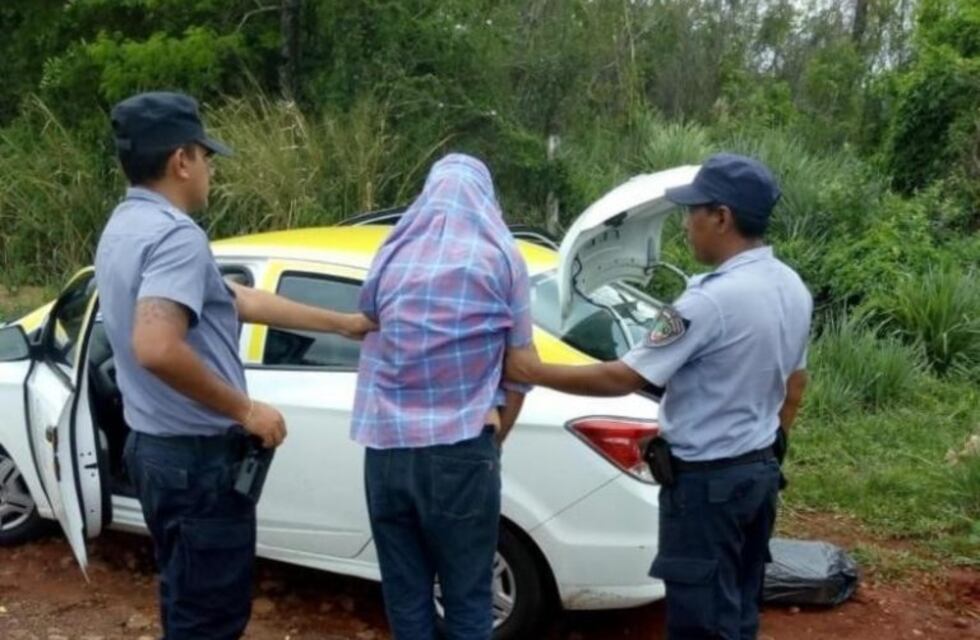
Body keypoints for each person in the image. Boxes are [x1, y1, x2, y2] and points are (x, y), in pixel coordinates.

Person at [94, 91, 375, 639]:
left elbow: (235, 300)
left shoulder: (125, 227)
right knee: (213, 618)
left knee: (185, 595)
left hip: (154, 450)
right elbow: (156, 345)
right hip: (197, 462)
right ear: (181, 160)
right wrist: (244, 408)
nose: (209, 171)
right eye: (206, 157)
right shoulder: (176, 236)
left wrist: (344, 324)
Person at [506, 153, 812, 639]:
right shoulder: (791, 287)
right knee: (737, 608)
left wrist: (533, 369)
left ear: (721, 217)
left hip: (707, 488)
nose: (685, 224)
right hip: (758, 476)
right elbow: (795, 385)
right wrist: (767, 452)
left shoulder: (708, 300)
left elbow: (621, 379)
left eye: (692, 212)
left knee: (699, 622)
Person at [351, 153, 532, 639]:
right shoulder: (502, 257)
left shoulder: (391, 252)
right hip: (463, 449)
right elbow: (521, 370)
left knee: (406, 597)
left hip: (386, 452)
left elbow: (367, 315)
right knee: (468, 598)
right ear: (486, 197)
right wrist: (490, 444)